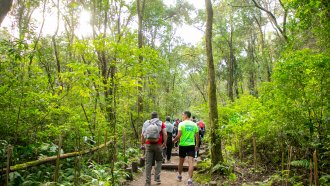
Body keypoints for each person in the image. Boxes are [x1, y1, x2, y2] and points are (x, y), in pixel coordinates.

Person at [172, 111, 199, 186]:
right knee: (191, 162)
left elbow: (179, 135)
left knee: (181, 161)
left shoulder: (181, 124)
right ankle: (190, 180)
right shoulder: (194, 124)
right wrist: (197, 145)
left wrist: (173, 141)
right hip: (191, 145)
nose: (182, 116)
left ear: (186, 115)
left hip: (183, 145)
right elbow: (197, 136)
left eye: (183, 114)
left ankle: (179, 176)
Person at [141, 112, 167, 186]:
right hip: (158, 145)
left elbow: (142, 134)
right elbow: (165, 133)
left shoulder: (146, 123)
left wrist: (142, 143)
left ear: (151, 117)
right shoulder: (161, 123)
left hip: (148, 145)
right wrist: (164, 143)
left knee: (148, 163)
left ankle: (147, 182)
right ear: (157, 116)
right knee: (159, 160)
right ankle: (157, 178)